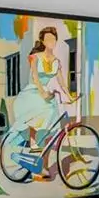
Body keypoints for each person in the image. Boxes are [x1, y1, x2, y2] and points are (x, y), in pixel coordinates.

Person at [9, 26, 71, 181]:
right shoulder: (35, 57)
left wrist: (69, 95)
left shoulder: (56, 61)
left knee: (49, 132)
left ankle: (43, 165)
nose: (51, 41)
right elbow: (35, 77)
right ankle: (32, 151)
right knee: (37, 129)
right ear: (42, 41)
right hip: (32, 93)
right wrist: (42, 92)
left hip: (47, 95)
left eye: (53, 39)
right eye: (48, 39)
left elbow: (61, 81)